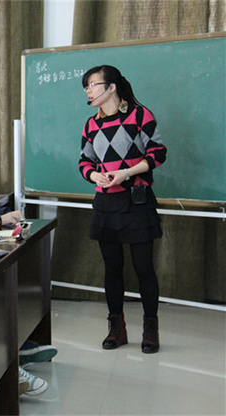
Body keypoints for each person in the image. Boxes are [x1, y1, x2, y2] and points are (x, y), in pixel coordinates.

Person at [79, 65, 167, 354]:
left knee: (144, 268)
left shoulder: (141, 116)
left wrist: (126, 173)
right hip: (106, 202)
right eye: (86, 87)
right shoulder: (91, 124)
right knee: (112, 268)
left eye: (92, 85)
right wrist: (96, 176)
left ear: (111, 87)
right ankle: (116, 328)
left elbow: (157, 153)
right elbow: (84, 162)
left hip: (137, 199)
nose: (88, 91)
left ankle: (150, 329)